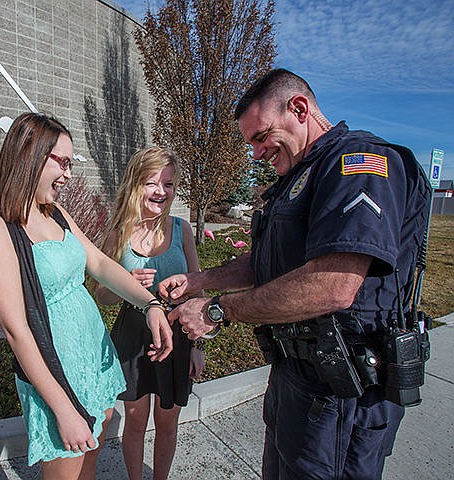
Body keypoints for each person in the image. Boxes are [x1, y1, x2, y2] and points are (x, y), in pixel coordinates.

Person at [158, 69, 431, 479]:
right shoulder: (299, 176)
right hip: (298, 380)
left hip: (342, 394)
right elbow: (267, 263)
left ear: (299, 109)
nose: (255, 153)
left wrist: (217, 311)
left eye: (260, 136)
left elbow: (334, 285)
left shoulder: (358, 164)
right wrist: (200, 281)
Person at [0, 112, 173, 480]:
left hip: (94, 357)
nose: (67, 173)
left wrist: (151, 303)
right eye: (60, 161)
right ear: (29, 154)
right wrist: (62, 408)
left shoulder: (56, 213)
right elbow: (17, 332)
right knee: (66, 469)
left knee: (89, 463)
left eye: (69, 163)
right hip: (56, 372)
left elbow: (98, 263)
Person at [95, 147, 203, 480]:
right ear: (135, 183)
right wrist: (124, 283)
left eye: (168, 184)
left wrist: (198, 347)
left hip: (178, 333)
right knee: (136, 421)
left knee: (167, 422)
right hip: (133, 334)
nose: (161, 191)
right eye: (151, 182)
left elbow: (198, 289)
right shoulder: (118, 232)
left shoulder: (182, 229)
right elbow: (103, 295)